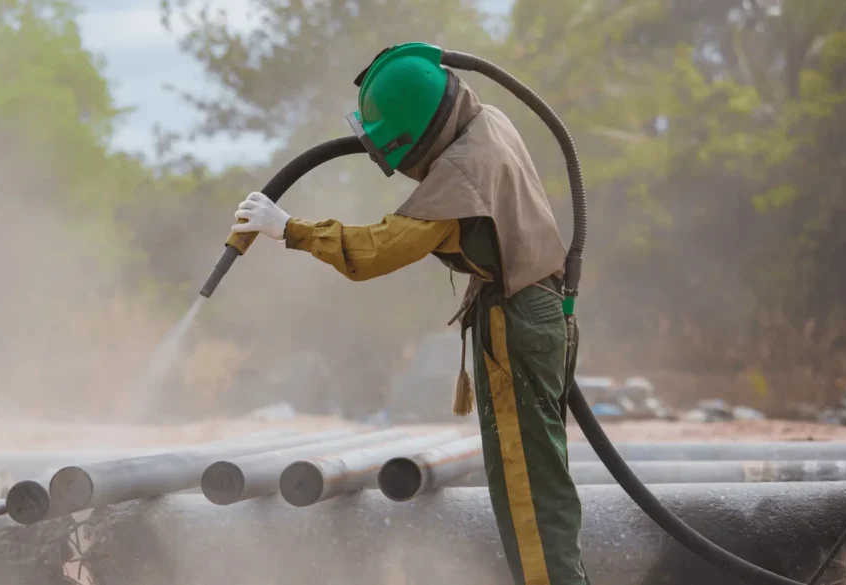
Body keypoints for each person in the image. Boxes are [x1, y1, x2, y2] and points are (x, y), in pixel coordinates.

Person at [231, 43, 587, 585]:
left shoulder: (459, 176)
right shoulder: (487, 122)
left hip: (517, 324)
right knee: (540, 484)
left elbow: (376, 251)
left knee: (528, 496)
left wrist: (289, 229)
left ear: (414, 133)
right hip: (541, 311)